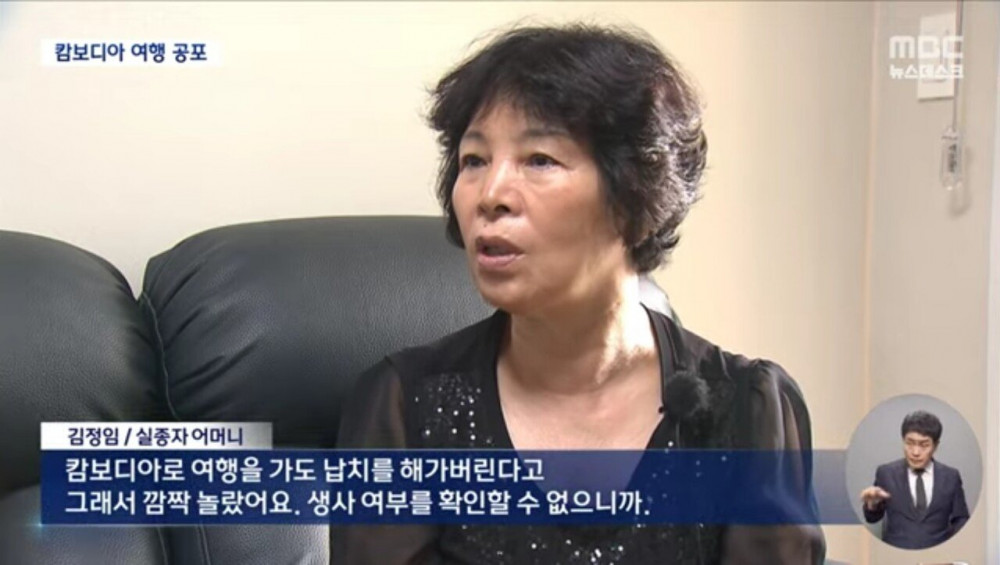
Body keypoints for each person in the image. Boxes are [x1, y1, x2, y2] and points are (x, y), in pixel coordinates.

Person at [333, 23, 824, 564]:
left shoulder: (746, 413)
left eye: (539, 159)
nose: (490, 194)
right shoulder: (406, 411)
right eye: (474, 160)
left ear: (635, 199)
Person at [861, 410, 970, 549]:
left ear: (935, 446)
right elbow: (872, 518)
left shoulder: (951, 476)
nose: (915, 452)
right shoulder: (886, 473)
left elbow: (961, 519)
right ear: (903, 441)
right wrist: (872, 505)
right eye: (910, 443)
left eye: (924, 445)